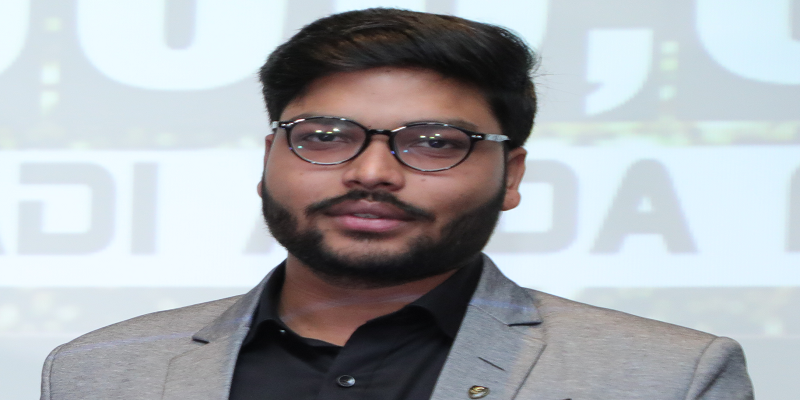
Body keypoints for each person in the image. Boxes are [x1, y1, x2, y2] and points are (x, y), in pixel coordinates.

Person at [40, 8, 753, 400]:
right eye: (325, 137)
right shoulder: (98, 373)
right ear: (268, 159)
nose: (372, 172)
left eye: (435, 142)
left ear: (511, 176)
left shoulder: (670, 376)